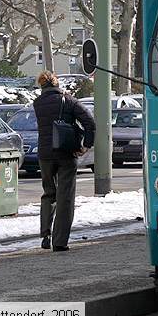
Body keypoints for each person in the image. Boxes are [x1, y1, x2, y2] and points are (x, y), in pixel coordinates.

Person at [32, 71, 95, 251]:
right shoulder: (69, 101)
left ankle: (45, 235)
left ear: (42, 85)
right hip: (66, 153)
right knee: (65, 197)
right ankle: (59, 242)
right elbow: (90, 122)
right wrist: (86, 145)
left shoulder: (38, 103)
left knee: (48, 193)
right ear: (56, 83)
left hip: (45, 154)